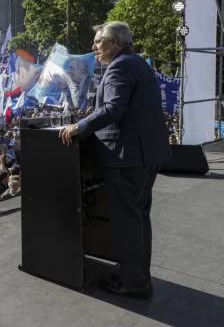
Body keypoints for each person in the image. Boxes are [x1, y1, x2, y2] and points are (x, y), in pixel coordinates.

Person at [59, 21, 171, 300]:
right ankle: (137, 274)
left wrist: (78, 127)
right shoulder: (136, 63)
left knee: (128, 222)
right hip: (144, 155)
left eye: (99, 41)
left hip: (126, 157)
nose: (94, 46)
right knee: (139, 219)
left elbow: (113, 108)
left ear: (115, 42)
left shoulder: (120, 66)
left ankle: (134, 283)